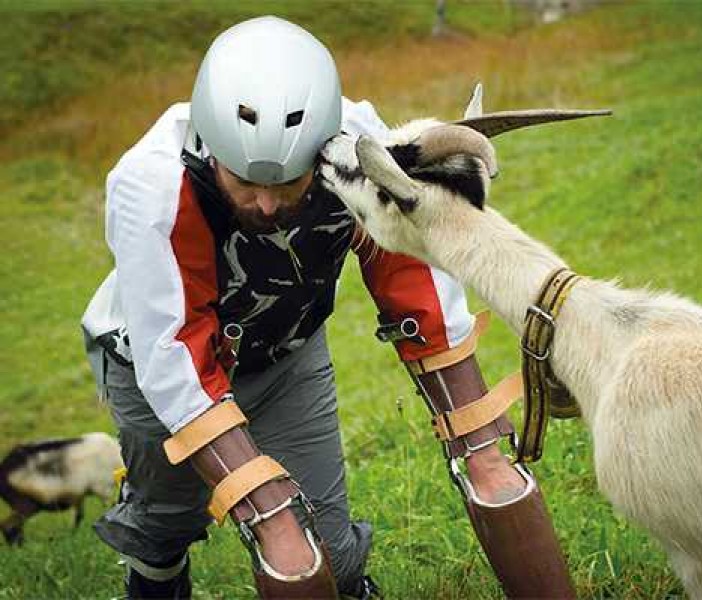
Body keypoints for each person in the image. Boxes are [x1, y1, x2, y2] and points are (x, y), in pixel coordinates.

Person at [81, 15, 574, 599]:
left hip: (287, 356)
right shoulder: (150, 184)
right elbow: (173, 354)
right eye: (244, 181)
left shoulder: (354, 144)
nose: (265, 203)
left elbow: (408, 268)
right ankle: (155, 578)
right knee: (169, 526)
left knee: (321, 553)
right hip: (152, 371)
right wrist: (262, 501)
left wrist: (479, 444)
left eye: (287, 182)